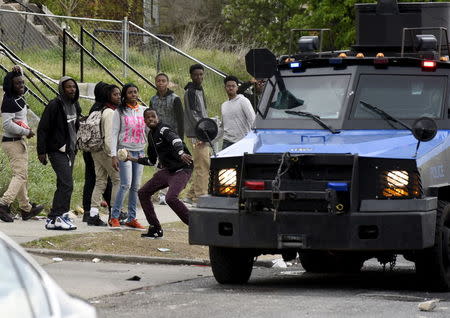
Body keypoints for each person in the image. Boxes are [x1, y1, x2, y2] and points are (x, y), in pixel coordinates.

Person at [133, 109, 192, 238]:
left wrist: (181, 153)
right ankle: (155, 228)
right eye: (147, 118)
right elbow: (151, 161)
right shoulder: (151, 136)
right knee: (143, 192)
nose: (150, 119)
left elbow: (175, 139)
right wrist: (132, 159)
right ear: (144, 121)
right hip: (168, 171)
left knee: (170, 198)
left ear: (158, 117)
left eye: (153, 116)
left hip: (182, 169)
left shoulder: (163, 129)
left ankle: (196, 225)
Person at [37, 76, 81, 230]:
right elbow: (43, 129)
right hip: (56, 150)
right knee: (67, 183)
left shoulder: (75, 104)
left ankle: (56, 218)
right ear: (62, 88)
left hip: (70, 150)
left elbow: (75, 126)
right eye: (68, 87)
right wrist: (41, 151)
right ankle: (57, 216)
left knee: (63, 184)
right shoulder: (55, 105)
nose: (72, 89)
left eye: (74, 87)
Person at [0, 67, 44, 223]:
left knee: (23, 176)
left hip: (18, 141)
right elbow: (7, 125)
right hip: (13, 142)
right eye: (17, 83)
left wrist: (20, 71)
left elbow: (18, 80)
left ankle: (26, 209)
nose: (21, 86)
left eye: (22, 83)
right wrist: (26, 132)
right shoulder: (9, 101)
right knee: (19, 175)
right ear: (10, 86)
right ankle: (4, 204)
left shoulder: (18, 96)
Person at [109, 83, 147, 230]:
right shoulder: (119, 112)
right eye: (130, 92)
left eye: (135, 92)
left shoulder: (142, 111)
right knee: (125, 184)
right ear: (125, 95)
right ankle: (115, 216)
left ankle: (132, 218)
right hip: (125, 152)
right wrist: (113, 155)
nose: (133, 94)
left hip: (140, 152)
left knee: (135, 186)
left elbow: (148, 130)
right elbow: (113, 133)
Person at [87, 84, 122, 226]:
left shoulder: (100, 109)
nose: (118, 97)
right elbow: (109, 137)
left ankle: (93, 214)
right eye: (115, 94)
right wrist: (113, 154)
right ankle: (114, 215)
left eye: (119, 94)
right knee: (117, 180)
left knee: (100, 181)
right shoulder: (110, 112)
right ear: (109, 96)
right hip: (106, 151)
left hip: (96, 151)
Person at [149, 73, 184, 205]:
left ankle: (166, 194)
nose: (161, 83)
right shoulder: (153, 99)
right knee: (159, 164)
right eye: (158, 81)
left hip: (172, 136)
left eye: (163, 81)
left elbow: (181, 120)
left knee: (172, 164)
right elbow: (150, 118)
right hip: (158, 136)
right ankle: (158, 191)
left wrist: (180, 138)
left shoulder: (175, 98)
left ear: (167, 83)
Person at [81, 81, 112, 223]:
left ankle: (89, 211)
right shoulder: (105, 109)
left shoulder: (95, 108)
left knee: (92, 179)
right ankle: (114, 211)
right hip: (101, 149)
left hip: (90, 149)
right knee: (108, 180)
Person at [183, 64, 210, 205]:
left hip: (201, 132)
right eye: (196, 75)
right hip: (197, 134)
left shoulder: (199, 90)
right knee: (202, 165)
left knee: (202, 164)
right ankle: (200, 198)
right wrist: (205, 130)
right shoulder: (191, 91)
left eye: (201, 74)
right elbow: (194, 115)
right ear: (191, 76)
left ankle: (191, 194)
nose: (199, 77)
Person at [220, 75, 256, 150]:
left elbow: (253, 120)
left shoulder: (243, 101)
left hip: (242, 142)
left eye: (233, 86)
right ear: (225, 88)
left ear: (237, 88)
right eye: (228, 86)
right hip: (226, 142)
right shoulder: (224, 105)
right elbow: (222, 127)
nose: (231, 88)